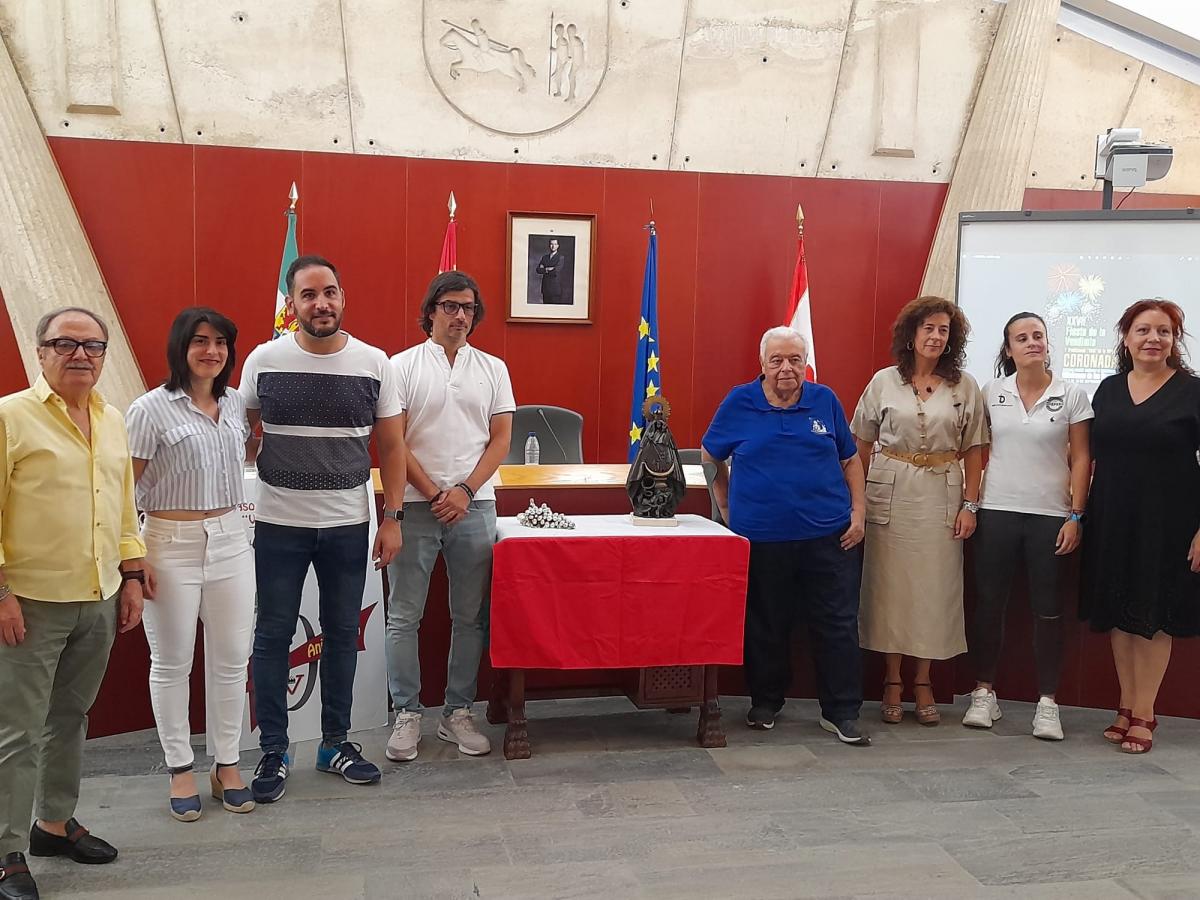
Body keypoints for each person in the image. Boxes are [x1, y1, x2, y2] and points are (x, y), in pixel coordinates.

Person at [240, 255, 407, 802]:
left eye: (330, 292)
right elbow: (239, 435)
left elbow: (391, 446)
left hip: (347, 525)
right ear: (292, 305)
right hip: (278, 524)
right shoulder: (263, 360)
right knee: (271, 635)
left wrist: (393, 518)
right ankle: (274, 750)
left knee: (340, 635)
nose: (321, 304)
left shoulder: (375, 363)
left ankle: (335, 743)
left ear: (343, 297)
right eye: (308, 295)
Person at [0, 308, 147, 900]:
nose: (81, 354)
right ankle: (7, 850)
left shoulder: (112, 420)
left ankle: (54, 824)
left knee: (70, 719)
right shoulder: (11, 417)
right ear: (41, 353)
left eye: (93, 345)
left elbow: (122, 506)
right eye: (66, 344)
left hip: (99, 599)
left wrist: (132, 575)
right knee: (17, 731)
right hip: (30, 605)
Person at [702, 326, 870, 745]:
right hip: (761, 538)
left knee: (836, 625)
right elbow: (710, 457)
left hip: (831, 536)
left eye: (795, 359)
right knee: (767, 624)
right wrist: (726, 509)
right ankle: (766, 702)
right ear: (762, 364)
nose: (786, 369)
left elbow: (850, 460)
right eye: (776, 360)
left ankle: (841, 712)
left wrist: (859, 512)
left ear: (805, 363)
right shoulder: (739, 402)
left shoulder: (824, 400)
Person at [126, 308, 256, 821]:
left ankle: (226, 764)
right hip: (167, 543)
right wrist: (134, 559)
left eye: (221, 342)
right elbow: (122, 490)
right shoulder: (149, 410)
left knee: (230, 661)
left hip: (230, 541)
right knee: (173, 661)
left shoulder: (238, 403)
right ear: (180, 347)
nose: (211, 351)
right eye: (200, 341)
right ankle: (179, 766)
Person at [385, 271, 514, 762]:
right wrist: (435, 491)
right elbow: (394, 440)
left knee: (470, 616)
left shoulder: (493, 368)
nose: (460, 316)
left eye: (468, 308)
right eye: (450, 306)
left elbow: (500, 439)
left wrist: (463, 490)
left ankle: (457, 713)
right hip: (415, 508)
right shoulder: (400, 367)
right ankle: (407, 713)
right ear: (431, 310)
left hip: (475, 507)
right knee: (404, 616)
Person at [851, 296, 987, 726]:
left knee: (933, 589)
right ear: (911, 334)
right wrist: (857, 500)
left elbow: (975, 450)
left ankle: (923, 681)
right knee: (889, 588)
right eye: (928, 327)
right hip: (889, 494)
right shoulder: (883, 381)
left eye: (944, 330)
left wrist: (970, 504)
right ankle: (892, 680)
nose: (935, 336)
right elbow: (860, 445)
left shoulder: (964, 385)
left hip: (942, 499)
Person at [964, 312, 1092, 740]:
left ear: (1047, 343)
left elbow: (1081, 459)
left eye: (1038, 335)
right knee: (989, 605)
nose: (1032, 342)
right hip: (996, 510)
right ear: (1009, 349)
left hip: (1051, 516)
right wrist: (971, 502)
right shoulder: (991, 391)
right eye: (1022, 338)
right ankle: (984, 693)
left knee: (1048, 611)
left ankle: (1048, 702)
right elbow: (978, 451)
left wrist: (1076, 514)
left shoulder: (1071, 394)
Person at [1080, 299, 1200, 754]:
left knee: (1153, 619)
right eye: (1143, 330)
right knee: (1118, 616)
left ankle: (1146, 711)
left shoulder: (1193, 391)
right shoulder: (1108, 390)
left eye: (1164, 331)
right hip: (1111, 515)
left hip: (1169, 522)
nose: (1154, 339)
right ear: (1126, 338)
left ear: (1175, 340)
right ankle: (1126, 705)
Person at [536, 238, 564, 304]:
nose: (553, 246)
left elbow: (555, 271)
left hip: (555, 289)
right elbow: (538, 270)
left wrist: (545, 269)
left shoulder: (561, 257)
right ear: (549, 245)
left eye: (555, 244)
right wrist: (547, 269)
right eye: (551, 244)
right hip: (545, 288)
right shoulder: (544, 257)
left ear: (558, 246)